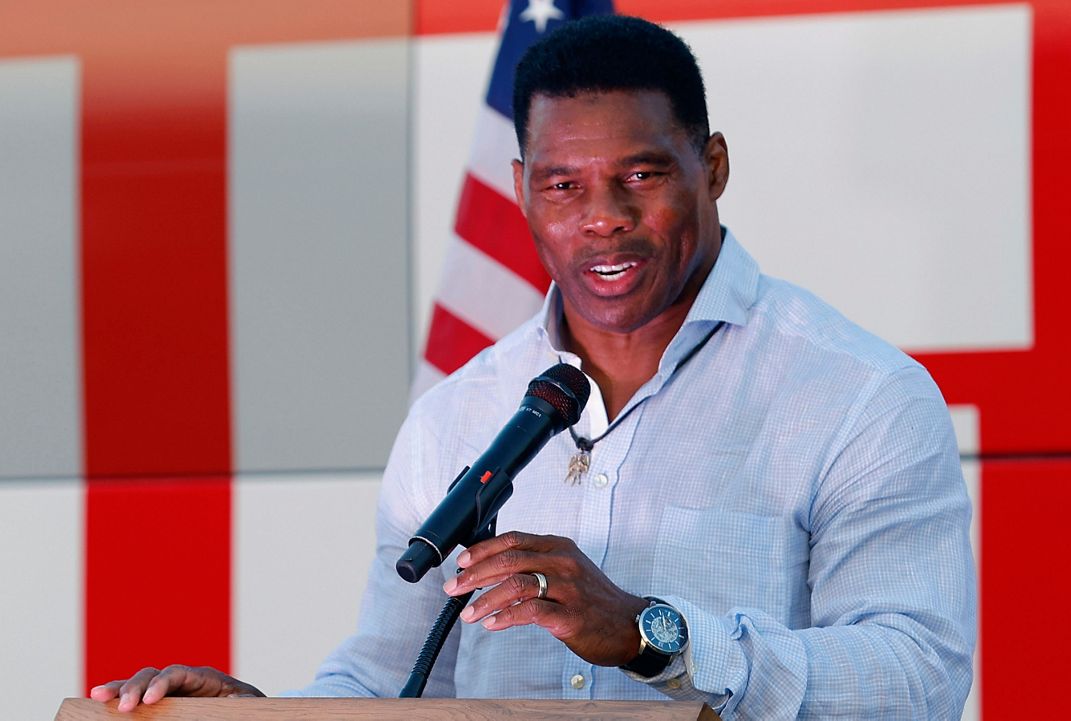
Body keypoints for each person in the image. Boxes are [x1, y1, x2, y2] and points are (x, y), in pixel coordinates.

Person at [90, 15, 976, 719]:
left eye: (641, 176)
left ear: (711, 168)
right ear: (520, 189)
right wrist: (259, 719)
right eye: (564, 186)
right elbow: (393, 684)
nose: (602, 218)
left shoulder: (856, 395)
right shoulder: (461, 413)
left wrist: (655, 635)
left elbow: (917, 677)